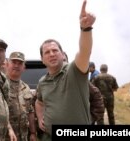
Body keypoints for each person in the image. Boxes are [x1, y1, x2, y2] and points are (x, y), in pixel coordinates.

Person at [35, 0, 96, 140]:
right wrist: (39, 118)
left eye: (55, 50)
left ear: (63, 54)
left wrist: (85, 29)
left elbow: (85, 51)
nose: (51, 54)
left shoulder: (74, 70)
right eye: (47, 52)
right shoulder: (42, 82)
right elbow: (39, 102)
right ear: (42, 59)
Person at [63, 51, 104, 125]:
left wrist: (90, 119)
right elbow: (38, 101)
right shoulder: (47, 81)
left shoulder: (77, 78)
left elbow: (97, 97)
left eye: (63, 61)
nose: (61, 64)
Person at [4, 52, 37, 141]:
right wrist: (9, 129)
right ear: (7, 65)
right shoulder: (0, 84)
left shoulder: (26, 88)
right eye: (14, 62)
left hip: (23, 136)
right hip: (5, 136)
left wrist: (33, 133)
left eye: (20, 63)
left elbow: (30, 111)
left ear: (24, 68)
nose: (17, 65)